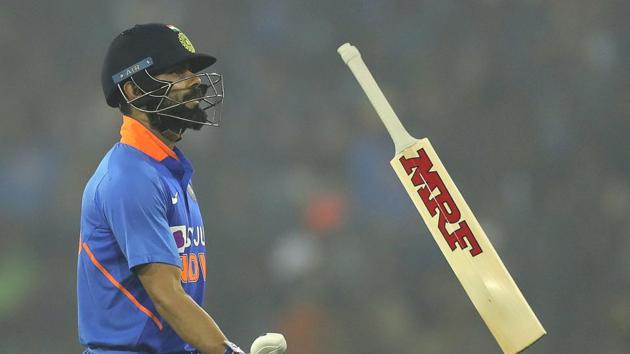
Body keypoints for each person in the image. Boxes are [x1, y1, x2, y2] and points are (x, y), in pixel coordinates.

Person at [77, 23, 285, 354]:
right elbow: (166, 294)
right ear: (132, 90)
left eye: (191, 70)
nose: (195, 80)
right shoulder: (129, 178)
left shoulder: (166, 172)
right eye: (175, 72)